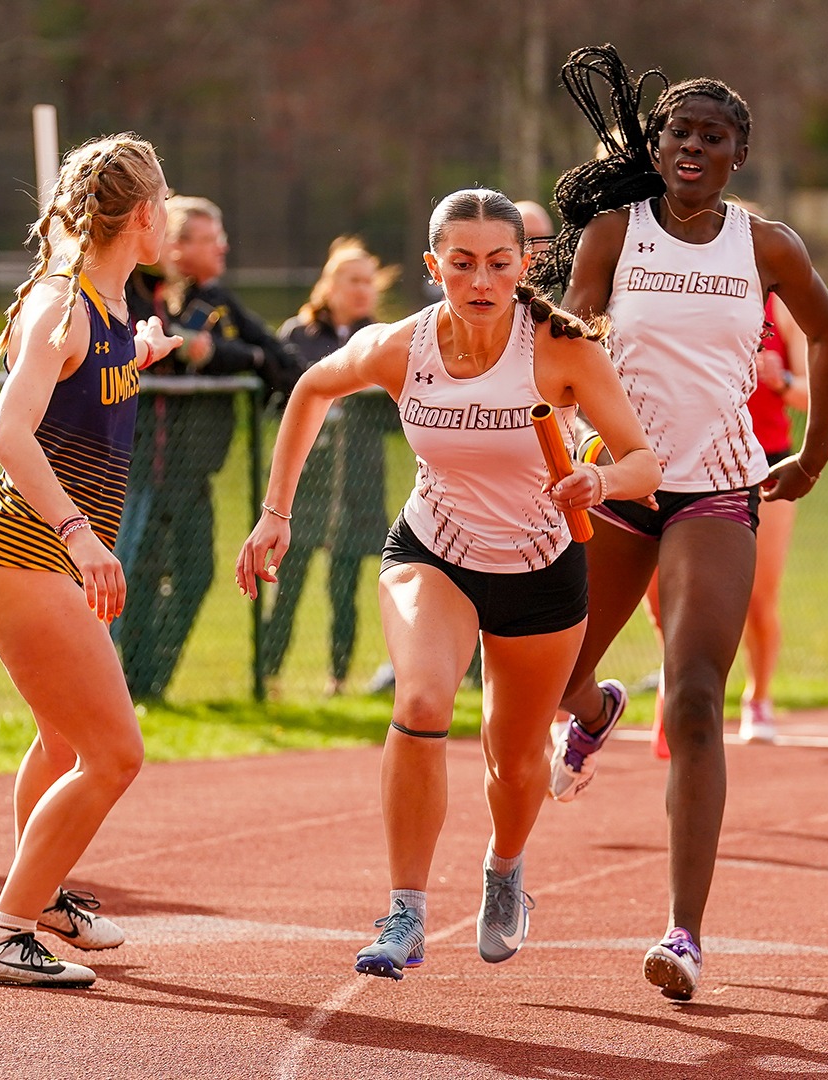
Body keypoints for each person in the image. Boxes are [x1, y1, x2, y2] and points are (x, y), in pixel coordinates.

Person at [237, 188, 659, 979]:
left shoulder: (563, 350)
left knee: (513, 758)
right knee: (423, 700)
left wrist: (598, 484)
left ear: (523, 264)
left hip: (541, 568)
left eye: (500, 263)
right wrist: (275, 514)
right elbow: (310, 390)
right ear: (435, 268)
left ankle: (505, 870)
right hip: (435, 551)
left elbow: (644, 462)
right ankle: (406, 912)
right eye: (461, 264)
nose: (481, 280)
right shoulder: (402, 347)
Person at [526, 44, 828, 1001]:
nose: (693, 146)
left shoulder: (768, 246)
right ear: (658, 145)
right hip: (623, 484)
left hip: (717, 487)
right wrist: (565, 430)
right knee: (555, 674)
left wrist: (816, 454)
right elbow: (574, 335)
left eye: (713, 135)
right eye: (679, 132)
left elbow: (827, 334)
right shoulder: (615, 235)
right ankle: (589, 712)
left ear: (739, 153)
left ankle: (684, 934)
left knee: (698, 693)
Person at [0, 134, 181, 987]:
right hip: (22, 561)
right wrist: (83, 537)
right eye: (167, 203)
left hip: (30, 565)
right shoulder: (63, 305)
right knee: (115, 755)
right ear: (147, 214)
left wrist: (142, 354)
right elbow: (8, 434)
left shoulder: (108, 308)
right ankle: (5, 933)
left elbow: (90, 387)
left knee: (60, 743)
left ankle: (41, 897)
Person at [116, 195, 299, 700]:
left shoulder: (216, 300)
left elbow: (280, 362)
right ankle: (124, 690)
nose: (223, 246)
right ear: (173, 245)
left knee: (197, 576)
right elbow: (136, 339)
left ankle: (151, 685)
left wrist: (219, 353)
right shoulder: (134, 291)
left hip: (195, 473)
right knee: (134, 577)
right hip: (141, 471)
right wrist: (187, 347)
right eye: (209, 237)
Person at [260, 237, 398, 696]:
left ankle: (338, 679)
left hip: (360, 481)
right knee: (289, 582)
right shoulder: (297, 335)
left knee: (345, 587)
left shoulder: (379, 339)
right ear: (329, 283)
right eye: (352, 280)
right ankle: (268, 675)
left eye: (368, 281)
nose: (362, 290)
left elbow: (397, 416)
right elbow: (277, 403)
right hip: (308, 481)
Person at [739, 292, 810, 740]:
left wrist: (780, 379)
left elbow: (809, 393)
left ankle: (758, 697)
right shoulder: (693, 291)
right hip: (704, 460)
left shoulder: (780, 307)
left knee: (759, 597)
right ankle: (683, 696)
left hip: (769, 463)